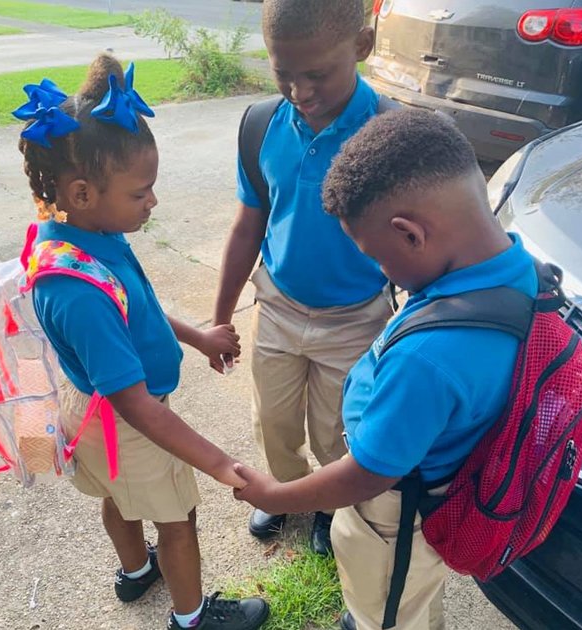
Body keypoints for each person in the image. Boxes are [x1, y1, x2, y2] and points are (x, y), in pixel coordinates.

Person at [233, 109, 538, 630]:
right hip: (432, 488)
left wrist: (276, 494)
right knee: (405, 599)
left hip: (395, 517)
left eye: (377, 255)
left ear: (412, 234)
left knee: (387, 608)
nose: (380, 270)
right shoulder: (515, 266)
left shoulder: (428, 362)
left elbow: (368, 475)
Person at [14, 54, 268, 630]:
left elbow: (140, 305)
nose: (151, 203)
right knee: (178, 520)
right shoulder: (78, 292)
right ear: (82, 193)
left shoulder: (81, 238)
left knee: (117, 498)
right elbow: (136, 405)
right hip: (131, 422)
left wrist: (198, 335)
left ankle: (135, 572)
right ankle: (192, 617)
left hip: (97, 410)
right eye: (140, 193)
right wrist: (220, 462)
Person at [210, 0, 395, 554]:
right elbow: (249, 225)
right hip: (280, 309)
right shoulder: (263, 125)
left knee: (336, 430)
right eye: (283, 73)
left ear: (361, 47)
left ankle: (328, 506)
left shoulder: (390, 134)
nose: (300, 91)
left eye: (317, 74)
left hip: (356, 319)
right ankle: (287, 493)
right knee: (274, 420)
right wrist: (220, 317)